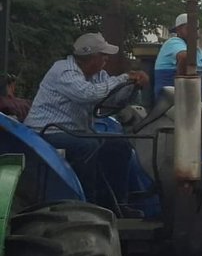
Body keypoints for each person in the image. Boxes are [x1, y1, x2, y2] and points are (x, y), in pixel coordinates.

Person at [24, 33, 150, 210]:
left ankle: (115, 204)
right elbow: (88, 94)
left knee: (119, 145)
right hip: (46, 133)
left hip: (75, 131)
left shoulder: (98, 76)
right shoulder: (63, 71)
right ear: (93, 57)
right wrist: (124, 78)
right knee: (87, 146)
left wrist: (133, 87)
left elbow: (112, 99)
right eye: (103, 55)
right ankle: (87, 205)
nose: (106, 59)